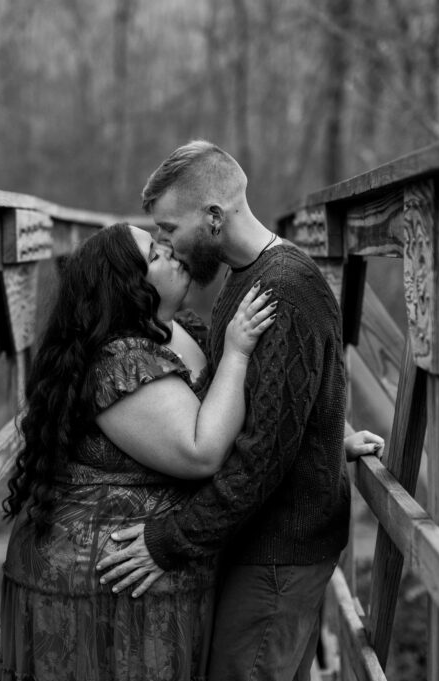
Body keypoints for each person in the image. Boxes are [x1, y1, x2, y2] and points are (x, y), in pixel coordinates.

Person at [0, 222, 381, 681]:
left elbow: (249, 417)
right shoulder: (120, 361)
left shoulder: (184, 330)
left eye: (162, 242)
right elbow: (202, 451)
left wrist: (323, 447)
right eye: (155, 256)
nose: (173, 252)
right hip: (102, 588)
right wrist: (237, 353)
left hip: (160, 577)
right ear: (127, 286)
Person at [97, 140, 372, 681]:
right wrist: (327, 433)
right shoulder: (244, 276)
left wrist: (170, 541)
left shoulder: (285, 289)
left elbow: (262, 456)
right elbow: (277, 400)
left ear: (214, 217)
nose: (166, 246)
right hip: (259, 541)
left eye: (170, 229)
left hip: (279, 553)